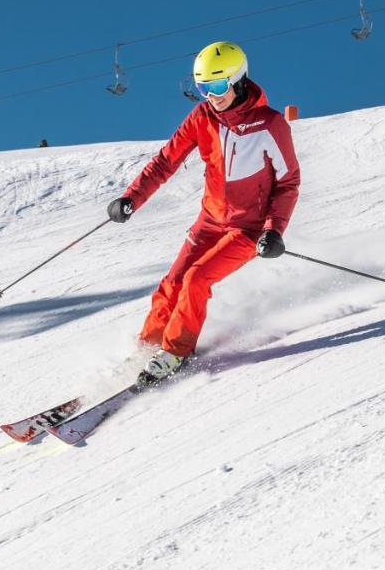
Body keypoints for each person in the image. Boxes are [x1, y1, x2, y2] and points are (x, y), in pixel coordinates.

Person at [107, 41, 300, 385]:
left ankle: (176, 353)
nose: (212, 95)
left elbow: (288, 183)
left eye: (218, 85)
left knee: (197, 279)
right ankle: (147, 348)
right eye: (203, 88)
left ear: (238, 79)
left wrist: (274, 230)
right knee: (172, 284)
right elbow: (166, 161)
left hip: (248, 229)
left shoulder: (270, 125)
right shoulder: (202, 117)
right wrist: (132, 198)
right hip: (210, 220)